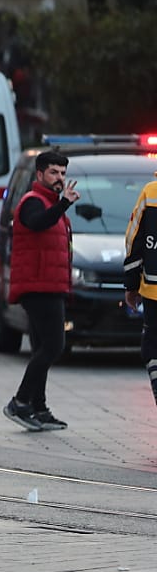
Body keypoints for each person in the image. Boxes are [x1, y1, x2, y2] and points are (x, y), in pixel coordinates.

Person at [2, 149, 79, 431]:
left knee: (40, 347)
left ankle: (38, 407)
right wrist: (63, 205)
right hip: (39, 287)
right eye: (53, 173)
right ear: (39, 175)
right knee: (54, 345)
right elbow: (38, 223)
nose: (59, 179)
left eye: (62, 174)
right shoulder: (33, 203)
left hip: (49, 286)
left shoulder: (50, 204)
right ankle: (20, 402)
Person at [124, 169, 157, 412]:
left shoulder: (151, 192)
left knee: (153, 348)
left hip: (154, 289)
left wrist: (131, 284)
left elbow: (134, 238)